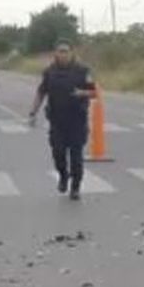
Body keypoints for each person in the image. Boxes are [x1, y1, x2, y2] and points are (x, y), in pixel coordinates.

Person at [28, 42, 95, 200]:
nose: (63, 54)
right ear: (55, 53)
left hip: (77, 120)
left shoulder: (82, 70)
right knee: (58, 154)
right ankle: (63, 176)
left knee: (76, 156)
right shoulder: (50, 72)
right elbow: (41, 92)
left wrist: (82, 93)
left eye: (65, 51)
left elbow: (94, 92)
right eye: (60, 51)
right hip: (57, 121)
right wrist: (33, 112)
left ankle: (76, 187)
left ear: (71, 53)